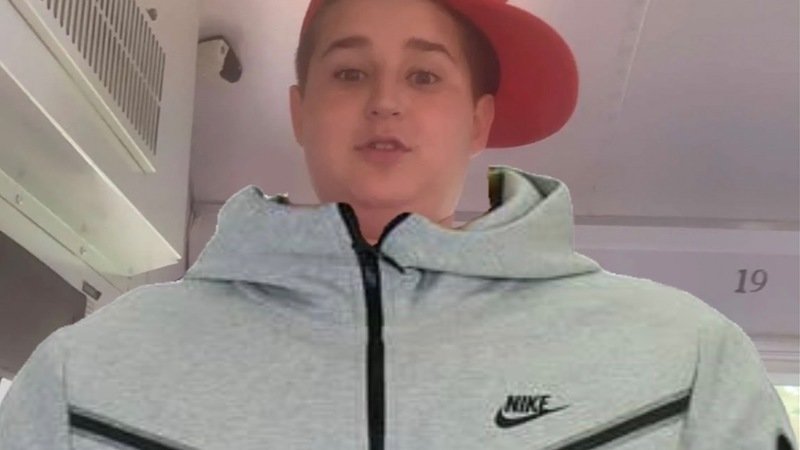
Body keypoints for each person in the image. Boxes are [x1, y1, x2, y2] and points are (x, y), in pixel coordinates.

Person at [0, 0, 796, 448]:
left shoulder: (684, 360)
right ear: (299, 111)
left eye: (424, 75)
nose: (386, 101)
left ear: (480, 120)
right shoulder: (85, 375)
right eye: (350, 72)